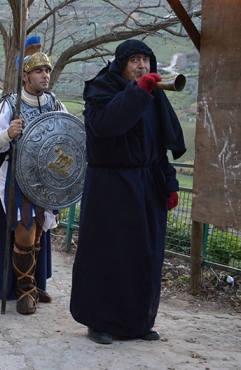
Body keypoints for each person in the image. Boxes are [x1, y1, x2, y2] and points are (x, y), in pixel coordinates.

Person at [70, 39, 185, 344]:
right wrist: (138, 92)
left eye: (147, 60)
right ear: (121, 63)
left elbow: (159, 146)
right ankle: (100, 322)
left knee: (144, 255)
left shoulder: (151, 95)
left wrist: (169, 183)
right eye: (135, 60)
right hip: (111, 187)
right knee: (109, 256)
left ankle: (138, 322)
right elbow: (110, 124)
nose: (142, 66)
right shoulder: (100, 91)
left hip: (147, 185)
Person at [0, 36, 67, 315]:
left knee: (39, 230)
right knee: (25, 233)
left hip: (46, 178)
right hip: (18, 177)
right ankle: (25, 289)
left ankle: (30, 282)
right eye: (39, 71)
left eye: (47, 70)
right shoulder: (11, 104)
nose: (45, 75)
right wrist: (8, 133)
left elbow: (68, 133)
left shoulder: (54, 103)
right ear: (26, 75)